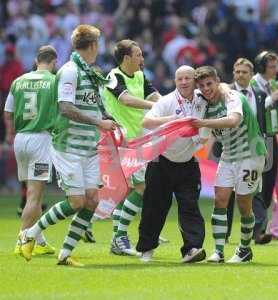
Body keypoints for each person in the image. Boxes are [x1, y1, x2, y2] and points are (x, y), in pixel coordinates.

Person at [19, 25, 117, 267]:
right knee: (76, 202)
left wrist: (108, 121)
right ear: (93, 45)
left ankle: (65, 254)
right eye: (99, 43)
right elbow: (66, 108)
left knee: (92, 201)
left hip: (89, 147)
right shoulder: (70, 71)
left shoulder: (90, 72)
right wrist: (98, 122)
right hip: (68, 146)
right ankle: (29, 233)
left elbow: (93, 105)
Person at [193, 66, 267, 263]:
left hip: (251, 153)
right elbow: (203, 137)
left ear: (218, 81)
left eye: (209, 84)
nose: (206, 88)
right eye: (202, 86)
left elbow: (233, 120)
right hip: (228, 155)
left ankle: (244, 249)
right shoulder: (204, 105)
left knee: (244, 203)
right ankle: (218, 251)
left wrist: (203, 123)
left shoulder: (231, 97)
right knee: (220, 199)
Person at [135, 65, 207, 263]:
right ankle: (146, 249)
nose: (183, 82)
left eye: (187, 78)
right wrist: (174, 120)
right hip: (161, 161)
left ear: (195, 80)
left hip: (188, 162)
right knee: (154, 207)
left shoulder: (203, 99)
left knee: (190, 206)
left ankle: (192, 249)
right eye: (179, 79)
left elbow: (222, 88)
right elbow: (146, 122)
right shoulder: (167, 101)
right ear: (175, 82)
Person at [101, 39, 161, 256]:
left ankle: (119, 237)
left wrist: (169, 106)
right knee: (141, 187)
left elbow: (154, 95)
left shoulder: (140, 75)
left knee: (128, 190)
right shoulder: (113, 77)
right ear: (126, 58)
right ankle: (120, 236)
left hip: (139, 140)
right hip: (121, 141)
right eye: (138, 55)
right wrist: (154, 106)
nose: (142, 59)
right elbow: (125, 100)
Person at [4, 45, 58, 256]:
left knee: (29, 191)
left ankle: (39, 240)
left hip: (20, 139)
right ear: (53, 63)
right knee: (35, 196)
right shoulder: (54, 82)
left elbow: (7, 112)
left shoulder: (18, 81)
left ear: (36, 60)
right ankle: (22, 239)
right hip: (41, 140)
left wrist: (9, 134)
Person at [251, 51, 278, 243]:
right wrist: (271, 99)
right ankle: (257, 229)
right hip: (257, 138)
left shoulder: (273, 85)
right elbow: (254, 109)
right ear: (261, 67)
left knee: (268, 184)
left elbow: (275, 112)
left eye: (276, 66)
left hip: (271, 138)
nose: (275, 70)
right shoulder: (252, 84)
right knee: (257, 183)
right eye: (271, 66)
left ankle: (259, 227)